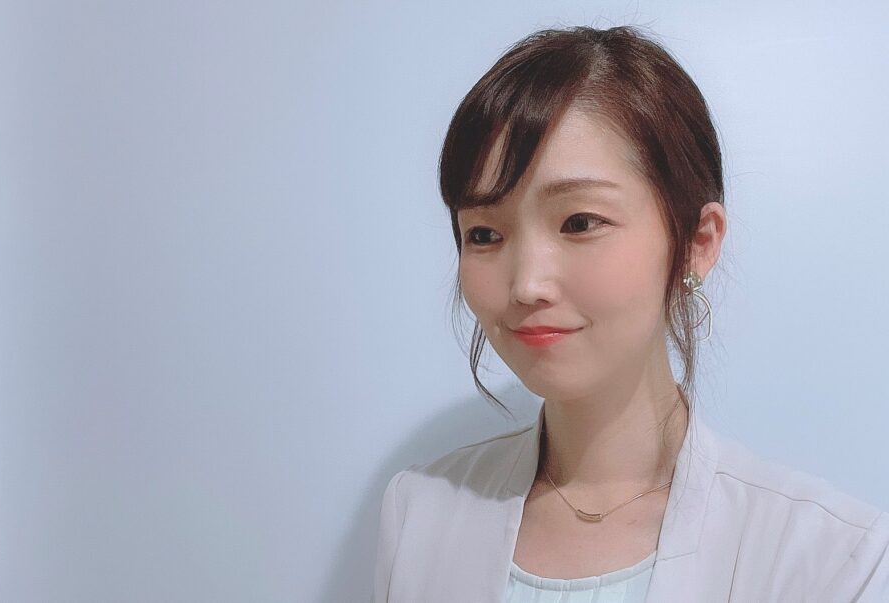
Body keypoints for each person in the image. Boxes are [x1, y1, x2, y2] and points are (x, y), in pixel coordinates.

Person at [372, 25, 889, 602]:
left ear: (697, 242)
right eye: (485, 233)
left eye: (580, 222)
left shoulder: (834, 560)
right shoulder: (419, 514)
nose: (527, 284)